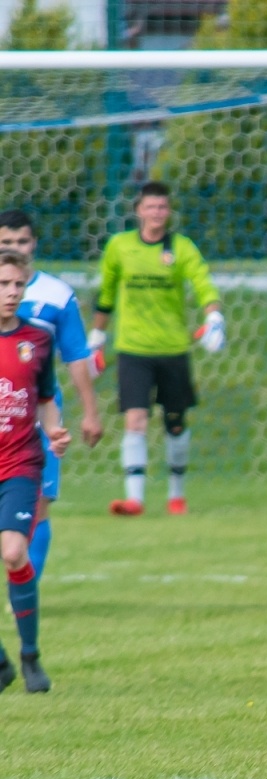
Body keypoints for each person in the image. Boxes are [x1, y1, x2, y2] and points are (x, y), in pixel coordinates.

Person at [91, 181, 224, 517]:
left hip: (173, 349)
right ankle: (134, 499)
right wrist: (96, 337)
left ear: (169, 211)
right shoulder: (119, 247)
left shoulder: (181, 248)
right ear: (138, 210)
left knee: (175, 424)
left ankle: (176, 494)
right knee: (135, 419)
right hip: (133, 349)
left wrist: (215, 318)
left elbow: (203, 283)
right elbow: (106, 295)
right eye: (151, 207)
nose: (157, 213)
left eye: (162, 207)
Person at [0, 209, 105, 576]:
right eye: (7, 242)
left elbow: (76, 355)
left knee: (39, 503)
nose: (16, 248)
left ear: (34, 243)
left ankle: (24, 591)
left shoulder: (57, 294)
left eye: (22, 241)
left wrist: (90, 412)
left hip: (35, 419)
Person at [0, 249, 72, 692]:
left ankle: (30, 657)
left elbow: (44, 398)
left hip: (20, 464)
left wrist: (56, 432)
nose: (11, 293)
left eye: (17, 286)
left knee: (12, 552)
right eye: (3, 285)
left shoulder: (36, 341)